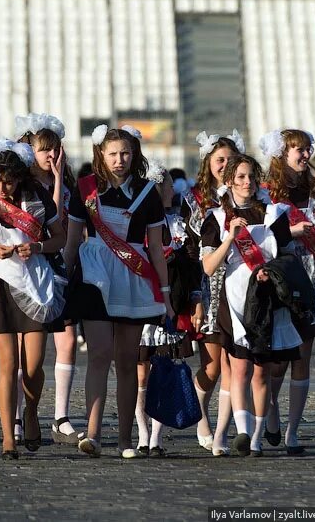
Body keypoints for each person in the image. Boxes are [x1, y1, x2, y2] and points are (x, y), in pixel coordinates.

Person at [63, 125, 173, 459]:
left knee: (127, 360)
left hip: (133, 278)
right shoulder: (86, 190)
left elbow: (156, 249)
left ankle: (125, 441)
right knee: (98, 354)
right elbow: (71, 242)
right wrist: (63, 281)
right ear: (101, 155)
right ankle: (93, 434)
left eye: (125, 153)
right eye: (112, 153)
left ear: (134, 154)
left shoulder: (148, 193)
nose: (119, 160)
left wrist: (165, 295)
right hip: (94, 276)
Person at [0, 139, 66, 458]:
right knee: (8, 364)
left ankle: (31, 410)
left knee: (32, 366)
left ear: (19, 177)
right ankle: (8, 436)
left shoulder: (38, 198)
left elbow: (59, 238)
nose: (2, 187)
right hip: (0, 285)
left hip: (35, 282)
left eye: (8, 180)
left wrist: (37, 247)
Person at [201, 153, 302, 457]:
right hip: (233, 298)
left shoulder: (273, 214)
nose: (246, 183)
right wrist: (230, 239)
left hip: (267, 296)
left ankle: (257, 435)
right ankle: (243, 432)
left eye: (251, 177)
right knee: (240, 368)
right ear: (229, 179)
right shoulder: (216, 217)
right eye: (240, 177)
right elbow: (208, 266)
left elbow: (288, 256)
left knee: (263, 371)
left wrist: (271, 272)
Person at [260, 129, 315, 455]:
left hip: (314, 278)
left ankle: (294, 431)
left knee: (303, 358)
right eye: (298, 149)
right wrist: (289, 231)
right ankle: (269, 408)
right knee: (280, 359)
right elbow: (261, 237)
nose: (305, 154)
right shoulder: (266, 192)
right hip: (284, 279)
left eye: (308, 148)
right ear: (282, 152)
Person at [15, 113, 82, 445]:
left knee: (68, 340)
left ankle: (61, 416)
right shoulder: (27, 186)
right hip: (30, 267)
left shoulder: (68, 183)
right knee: (23, 350)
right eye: (44, 150)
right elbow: (51, 215)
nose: (50, 156)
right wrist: (55, 180)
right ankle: (18, 415)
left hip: (60, 265)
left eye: (55, 149)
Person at [134, 164, 199, 457]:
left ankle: (157, 436)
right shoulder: (140, 222)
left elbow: (191, 264)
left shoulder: (178, 223)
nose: (174, 190)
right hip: (142, 303)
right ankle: (142, 432)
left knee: (165, 368)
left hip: (170, 304)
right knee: (140, 375)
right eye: (170, 185)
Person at [189, 130, 243, 456]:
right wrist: (194, 298)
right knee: (211, 365)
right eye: (219, 159)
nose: (223, 165)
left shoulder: (244, 198)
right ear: (208, 162)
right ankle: (199, 414)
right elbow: (186, 252)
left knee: (231, 364)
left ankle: (222, 430)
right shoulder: (193, 200)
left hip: (236, 284)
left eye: (228, 160)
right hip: (207, 285)